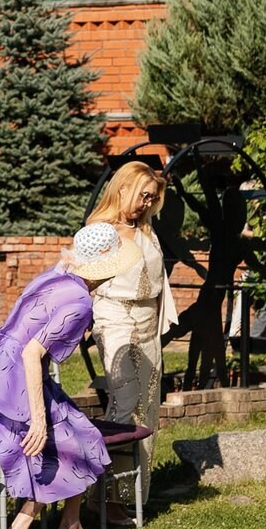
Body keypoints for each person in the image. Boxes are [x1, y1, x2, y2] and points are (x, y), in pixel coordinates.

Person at [0, 221, 141, 529]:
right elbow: (31, 353)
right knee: (57, 446)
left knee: (85, 435)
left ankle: (70, 527)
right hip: (16, 375)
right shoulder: (81, 301)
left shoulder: (60, 276)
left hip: (9, 367)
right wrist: (39, 420)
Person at [88, 162, 177, 431]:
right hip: (115, 319)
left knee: (148, 403)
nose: (147, 203)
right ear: (123, 189)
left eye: (152, 197)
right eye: (143, 195)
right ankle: (107, 468)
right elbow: (82, 276)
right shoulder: (101, 231)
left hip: (148, 323)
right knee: (126, 398)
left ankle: (141, 474)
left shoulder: (147, 230)